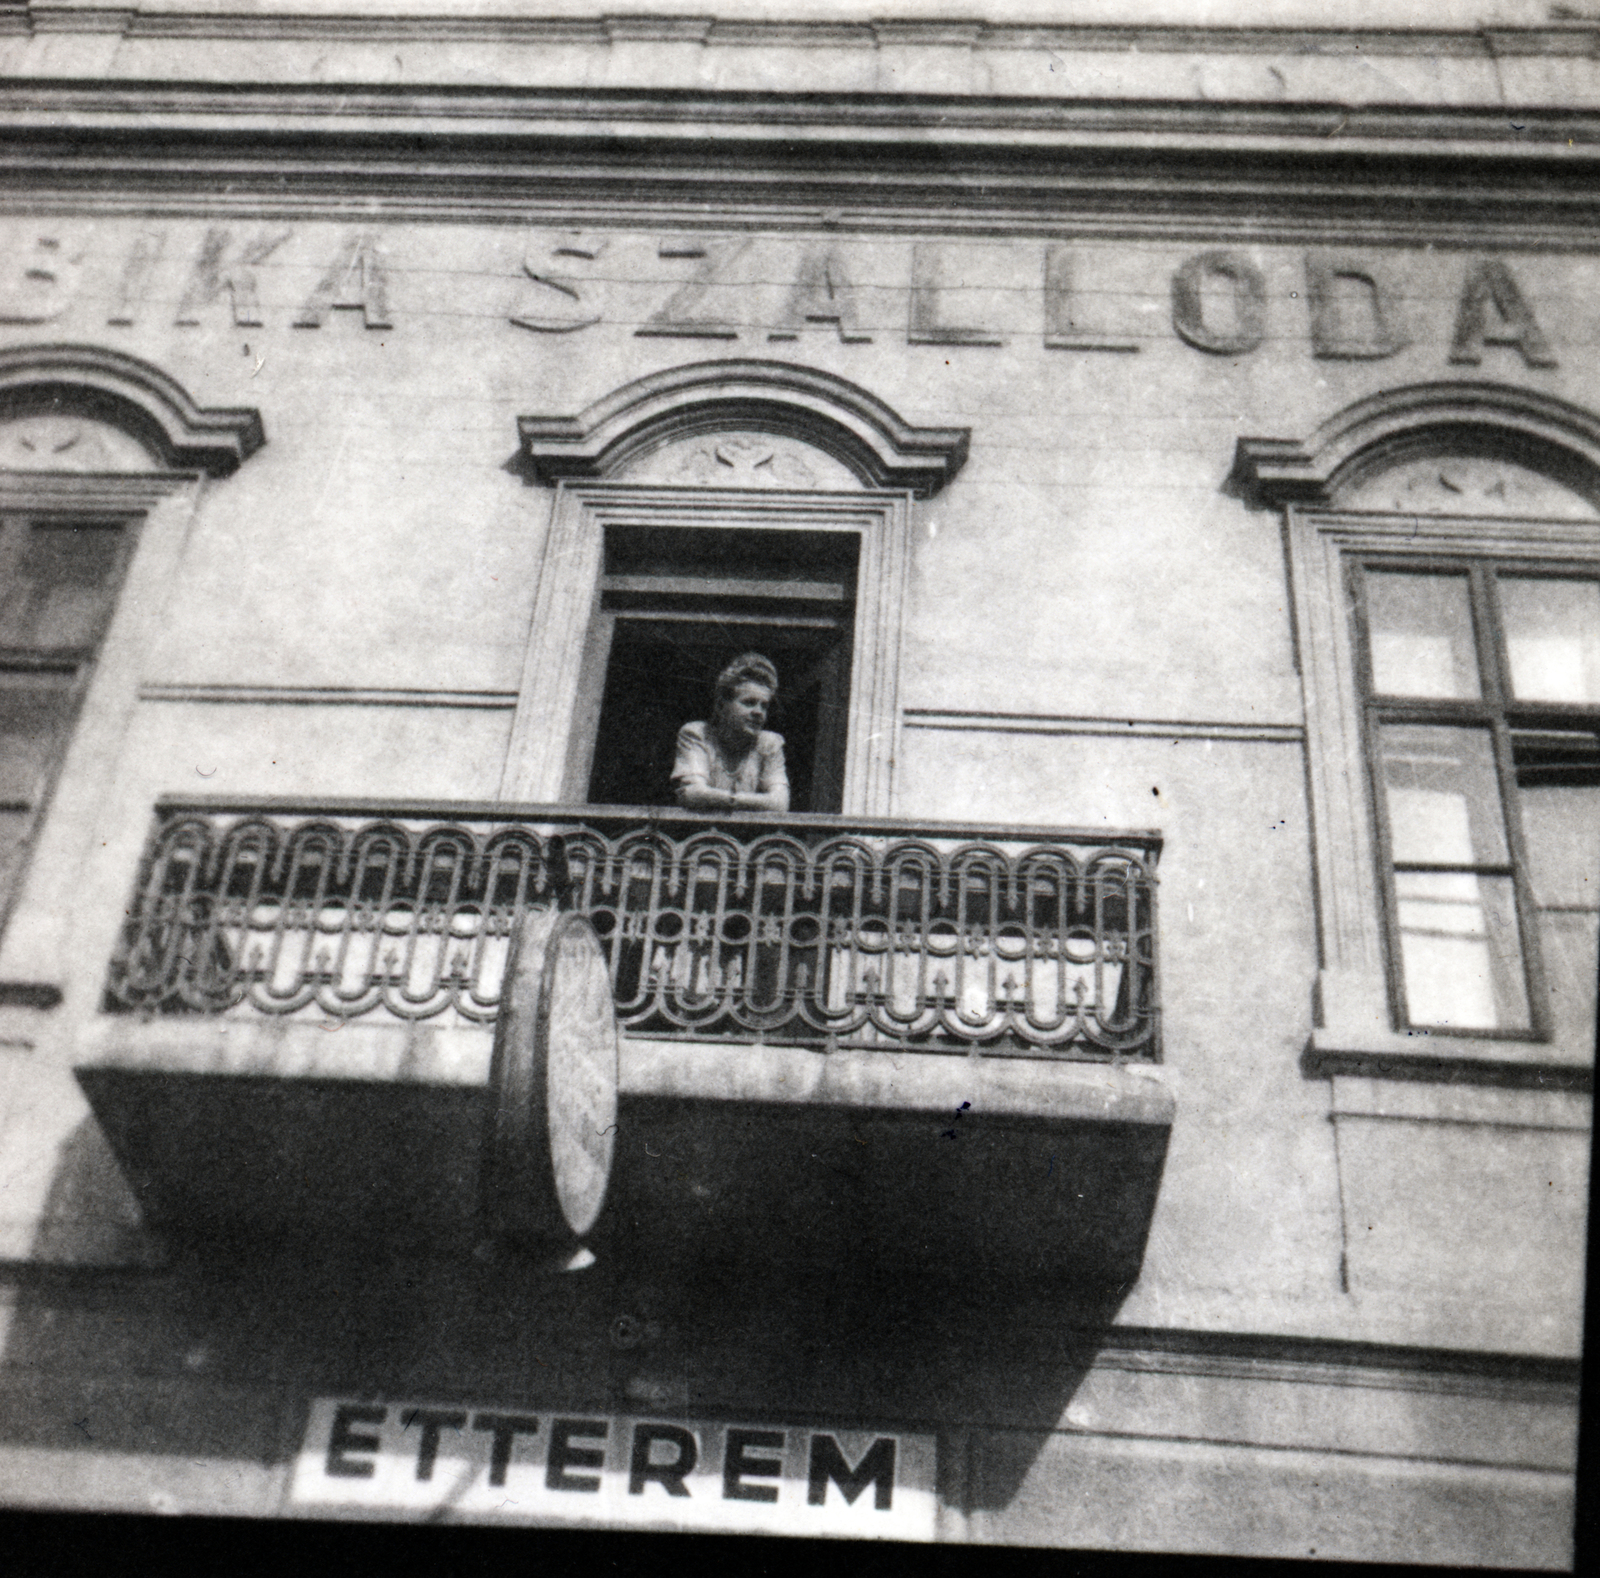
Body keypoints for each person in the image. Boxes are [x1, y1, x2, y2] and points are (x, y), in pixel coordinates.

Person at [671, 652, 791, 812]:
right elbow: (692, 794)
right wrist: (750, 802)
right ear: (721, 706)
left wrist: (727, 799)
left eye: (764, 706)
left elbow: (780, 803)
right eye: (749, 703)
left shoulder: (769, 743)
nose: (759, 712)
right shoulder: (698, 734)